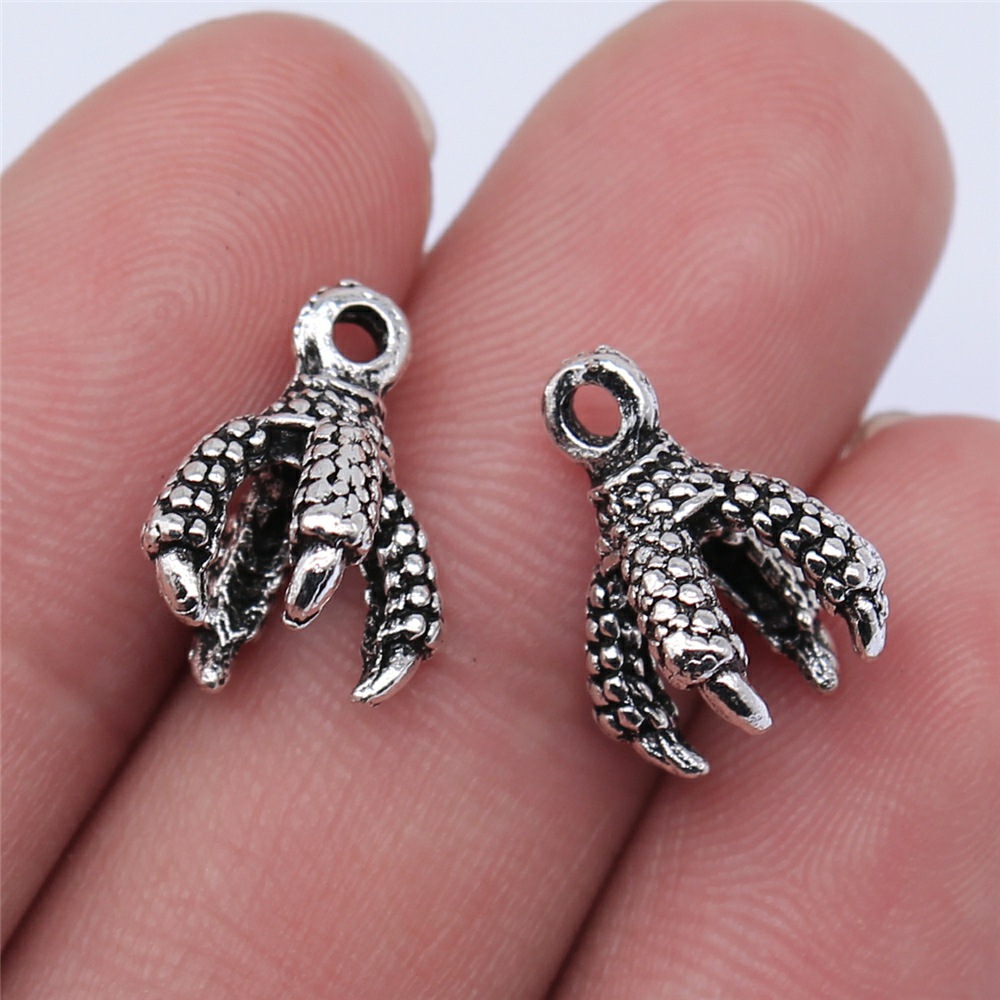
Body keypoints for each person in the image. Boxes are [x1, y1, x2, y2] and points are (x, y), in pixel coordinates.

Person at [2, 4, 996, 997]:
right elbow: (248, 492)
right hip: (333, 515)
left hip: (633, 507)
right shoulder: (324, 453)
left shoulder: (601, 525)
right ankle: (225, 634)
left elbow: (406, 551)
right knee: (282, 565)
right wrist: (207, 556)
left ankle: (809, 637)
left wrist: (405, 625)